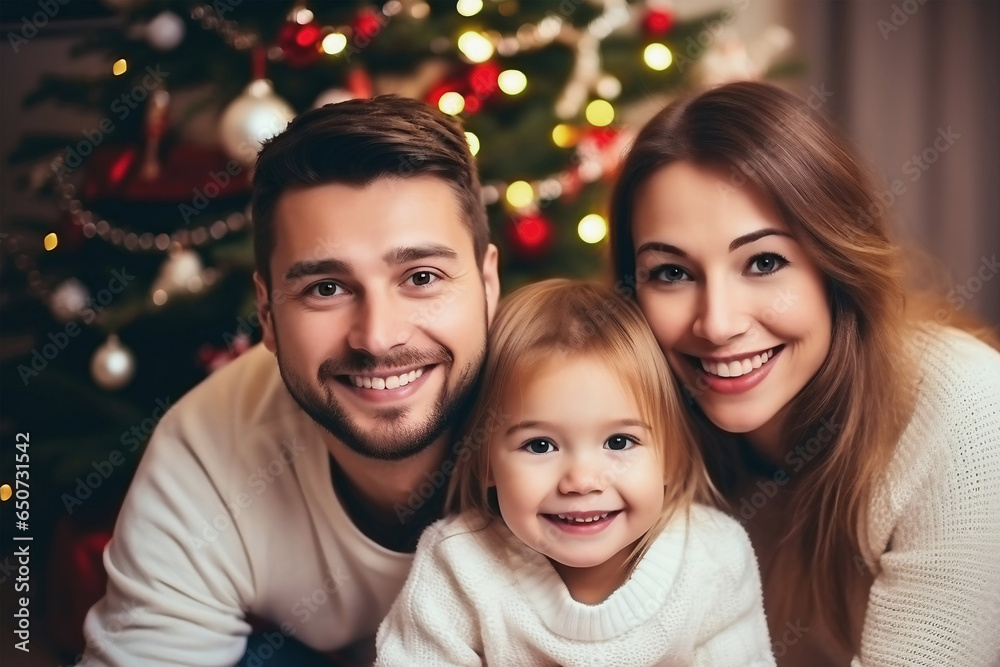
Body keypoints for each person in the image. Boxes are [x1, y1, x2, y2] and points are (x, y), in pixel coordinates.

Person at [81, 95, 500, 666]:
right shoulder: (207, 445)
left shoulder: (577, 405)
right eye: (325, 288)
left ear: (488, 285)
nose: (378, 338)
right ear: (268, 316)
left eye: (421, 277)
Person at [610, 81, 1000, 667]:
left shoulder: (965, 410)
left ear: (834, 267)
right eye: (670, 273)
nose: (717, 324)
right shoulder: (626, 432)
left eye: (764, 262)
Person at [375, 279, 777, 666]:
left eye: (619, 443)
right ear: (485, 464)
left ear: (670, 458)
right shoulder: (459, 562)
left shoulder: (713, 557)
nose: (582, 481)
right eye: (540, 445)